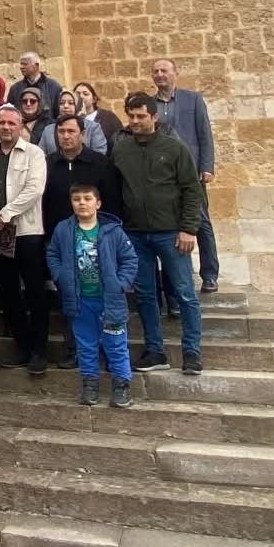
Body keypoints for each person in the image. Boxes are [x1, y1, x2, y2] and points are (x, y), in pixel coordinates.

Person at [112, 92, 205, 375]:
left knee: (185, 293)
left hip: (172, 233)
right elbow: (116, 191)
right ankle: (155, 350)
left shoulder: (174, 148)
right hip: (136, 235)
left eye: (141, 116)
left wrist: (189, 228)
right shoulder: (120, 150)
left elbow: (192, 190)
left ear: (155, 117)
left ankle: (192, 352)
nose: (136, 121)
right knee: (146, 295)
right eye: (132, 116)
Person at [46, 183, 138, 408]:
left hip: (109, 300)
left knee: (116, 343)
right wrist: (61, 277)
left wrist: (120, 284)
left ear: (97, 203)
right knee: (85, 344)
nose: (82, 203)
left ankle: (121, 385)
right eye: (77, 199)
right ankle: (90, 384)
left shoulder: (112, 231)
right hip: (79, 300)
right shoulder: (64, 229)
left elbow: (130, 259)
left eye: (87, 198)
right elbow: (53, 254)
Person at [0, 105, 49, 374]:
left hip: (26, 231)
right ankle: (22, 345)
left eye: (12, 123)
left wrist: (6, 213)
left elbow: (34, 189)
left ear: (20, 126)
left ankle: (39, 350)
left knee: (34, 290)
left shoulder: (34, 153)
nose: (6, 127)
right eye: (2, 122)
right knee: (9, 292)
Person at [150, 58, 219, 293]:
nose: (160, 75)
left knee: (201, 223)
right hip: (164, 174)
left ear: (175, 73)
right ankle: (178, 277)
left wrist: (207, 166)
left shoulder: (193, 99)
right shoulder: (149, 104)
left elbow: (204, 134)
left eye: (164, 70)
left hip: (191, 173)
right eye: (156, 71)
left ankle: (209, 274)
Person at [36, 90, 108, 155]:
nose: (65, 106)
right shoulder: (48, 129)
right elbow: (41, 155)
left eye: (71, 103)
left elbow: (99, 153)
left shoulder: (92, 127)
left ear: (79, 105)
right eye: (62, 103)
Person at [74, 82, 123, 147]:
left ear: (94, 99)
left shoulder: (108, 117)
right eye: (77, 94)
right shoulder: (70, 118)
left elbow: (119, 139)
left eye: (86, 94)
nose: (81, 96)